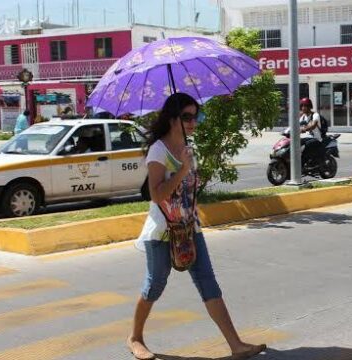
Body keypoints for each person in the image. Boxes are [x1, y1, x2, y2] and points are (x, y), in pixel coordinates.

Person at [129, 93, 266, 360]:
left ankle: (235, 344)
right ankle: (135, 338)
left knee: (207, 281)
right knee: (155, 284)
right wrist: (182, 171)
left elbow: (188, 191)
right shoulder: (159, 150)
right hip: (163, 230)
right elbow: (157, 195)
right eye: (187, 117)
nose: (193, 122)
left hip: (190, 227)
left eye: (196, 116)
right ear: (172, 119)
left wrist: (190, 172)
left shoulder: (189, 148)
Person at [298, 97, 326, 168]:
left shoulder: (315, 115)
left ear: (309, 106)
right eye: (302, 106)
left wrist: (304, 129)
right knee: (295, 144)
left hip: (317, 138)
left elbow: (313, 125)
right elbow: (297, 125)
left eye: (305, 106)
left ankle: (301, 166)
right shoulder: (303, 117)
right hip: (307, 138)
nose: (303, 108)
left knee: (305, 146)